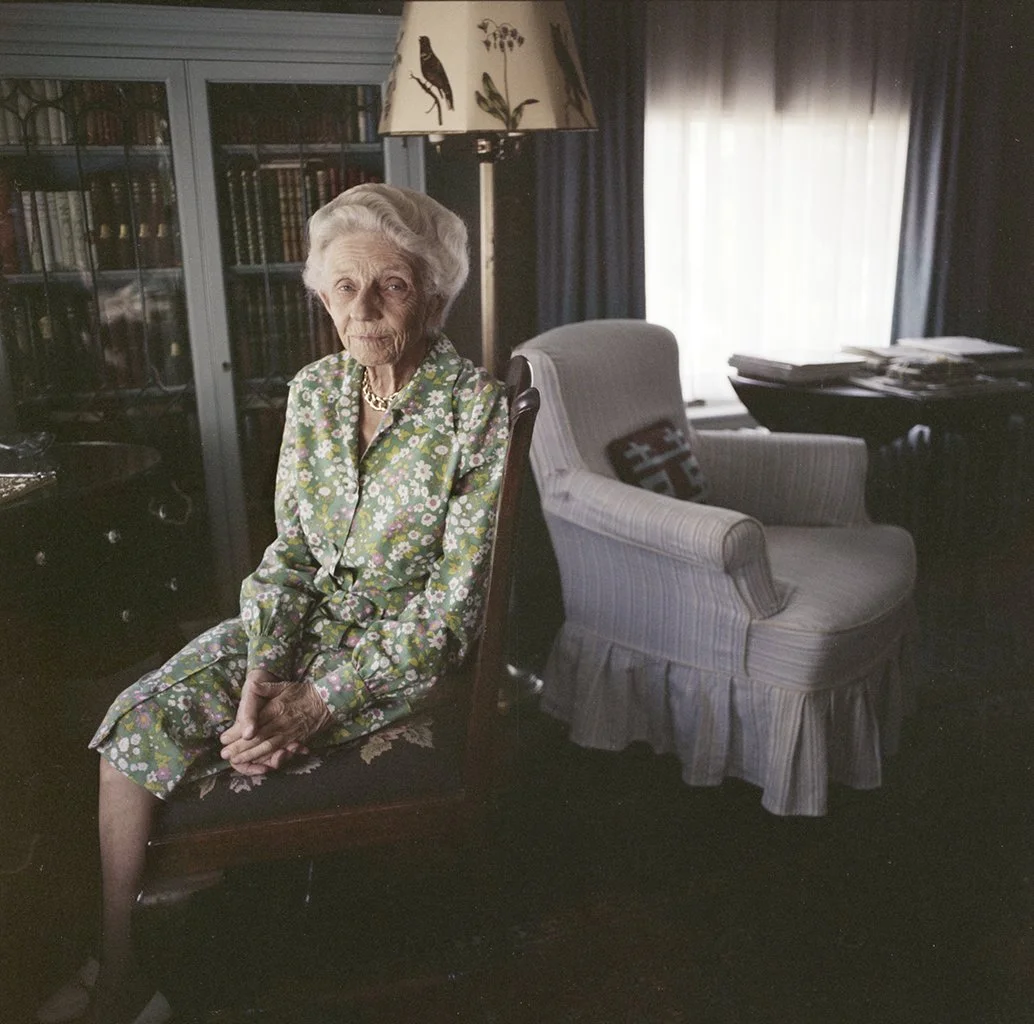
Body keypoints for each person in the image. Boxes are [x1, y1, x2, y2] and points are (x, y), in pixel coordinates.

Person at [38, 183, 509, 1024]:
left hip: (397, 657)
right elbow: (290, 556)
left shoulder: (475, 411)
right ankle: (121, 967)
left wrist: (314, 703)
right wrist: (264, 670)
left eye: (392, 285)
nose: (363, 309)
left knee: (234, 742)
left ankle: (210, 909)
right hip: (299, 629)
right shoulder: (315, 392)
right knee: (133, 724)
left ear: (434, 297)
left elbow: (451, 615)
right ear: (322, 296)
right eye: (344, 287)